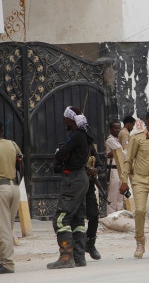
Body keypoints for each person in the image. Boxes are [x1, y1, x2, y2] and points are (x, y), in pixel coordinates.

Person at [47, 106, 91, 269]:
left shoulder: (76, 136)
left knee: (61, 218)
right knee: (77, 219)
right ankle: (79, 257)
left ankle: (66, 257)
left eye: (65, 119)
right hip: (81, 179)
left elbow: (60, 155)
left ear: (69, 120)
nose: (64, 121)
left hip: (73, 180)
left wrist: (60, 151)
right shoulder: (85, 135)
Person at [120, 110, 149, 258]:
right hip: (140, 179)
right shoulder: (137, 138)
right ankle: (140, 242)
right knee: (139, 211)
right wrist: (124, 180)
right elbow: (128, 160)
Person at [0, 123, 22, 274]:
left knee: (3, 229)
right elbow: (22, 166)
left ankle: (7, 264)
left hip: (1, 189)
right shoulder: (13, 145)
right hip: (14, 188)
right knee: (7, 226)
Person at [105, 121, 125, 214]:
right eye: (115, 128)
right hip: (113, 170)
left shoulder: (116, 140)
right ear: (110, 129)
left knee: (120, 193)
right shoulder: (110, 140)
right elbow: (121, 152)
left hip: (119, 169)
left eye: (119, 128)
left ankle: (119, 213)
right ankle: (111, 215)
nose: (117, 130)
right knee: (113, 194)